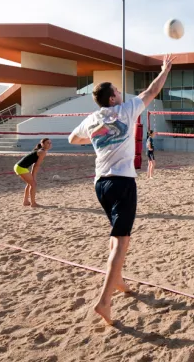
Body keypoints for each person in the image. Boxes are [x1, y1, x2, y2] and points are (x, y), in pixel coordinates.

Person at [68, 54, 175, 325]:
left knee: (116, 236)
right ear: (113, 98)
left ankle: (118, 281)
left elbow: (72, 138)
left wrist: (95, 136)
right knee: (122, 241)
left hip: (100, 183)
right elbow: (152, 91)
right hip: (122, 181)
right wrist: (165, 70)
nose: (120, 92)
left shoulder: (92, 119)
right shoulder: (125, 110)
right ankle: (104, 301)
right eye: (117, 90)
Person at [13, 138, 53, 207]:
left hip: (19, 166)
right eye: (47, 143)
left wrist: (33, 175)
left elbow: (35, 164)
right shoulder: (42, 152)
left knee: (30, 183)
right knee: (33, 184)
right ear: (42, 144)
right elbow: (37, 165)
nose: (49, 144)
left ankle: (26, 201)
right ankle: (33, 203)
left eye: (50, 143)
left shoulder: (41, 151)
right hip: (21, 167)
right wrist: (34, 176)